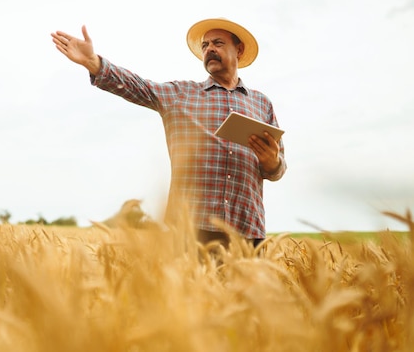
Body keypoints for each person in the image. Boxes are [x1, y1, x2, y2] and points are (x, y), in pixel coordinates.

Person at [50, 18, 286, 247]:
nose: (210, 49)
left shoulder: (262, 104)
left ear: (239, 50)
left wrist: (272, 162)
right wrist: (94, 63)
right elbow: (138, 86)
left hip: (247, 230)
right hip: (190, 229)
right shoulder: (181, 94)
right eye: (205, 46)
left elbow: (278, 169)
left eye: (218, 43)